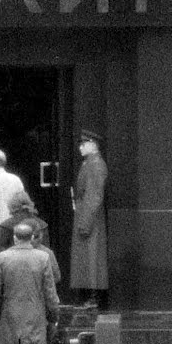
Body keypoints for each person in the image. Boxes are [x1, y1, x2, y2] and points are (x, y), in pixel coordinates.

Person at [71, 129, 109, 307]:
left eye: (83, 144)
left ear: (93, 144)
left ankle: (93, 296)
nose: (80, 147)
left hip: (90, 217)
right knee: (88, 257)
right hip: (86, 214)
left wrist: (85, 223)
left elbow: (94, 196)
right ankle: (91, 295)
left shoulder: (95, 164)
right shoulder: (90, 163)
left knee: (92, 257)